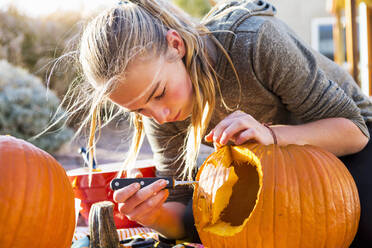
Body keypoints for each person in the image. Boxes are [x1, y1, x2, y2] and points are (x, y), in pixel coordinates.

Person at [75, 0, 372, 246]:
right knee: (213, 216)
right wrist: (153, 216)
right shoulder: (159, 113)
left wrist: (272, 135)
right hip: (274, 181)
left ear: (175, 45)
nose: (161, 115)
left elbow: (354, 133)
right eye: (140, 110)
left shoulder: (255, 41)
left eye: (159, 94)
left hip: (348, 150)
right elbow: (186, 214)